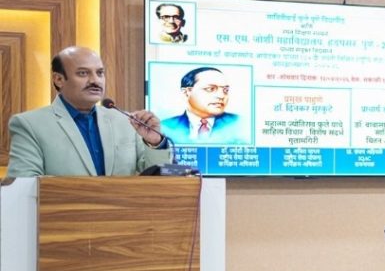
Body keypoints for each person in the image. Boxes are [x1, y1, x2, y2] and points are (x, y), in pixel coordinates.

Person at [6, 46, 170, 177]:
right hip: (64, 210)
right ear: (59, 79)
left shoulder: (125, 121)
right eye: (83, 73)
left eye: (100, 73)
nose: (95, 80)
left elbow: (157, 178)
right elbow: (25, 184)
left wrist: (154, 142)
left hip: (123, 210)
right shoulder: (30, 124)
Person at [161, 67, 246, 144]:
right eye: (210, 89)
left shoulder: (240, 124)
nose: (221, 96)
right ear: (186, 93)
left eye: (225, 90)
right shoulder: (165, 127)